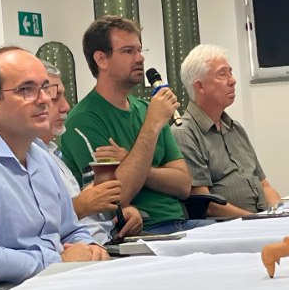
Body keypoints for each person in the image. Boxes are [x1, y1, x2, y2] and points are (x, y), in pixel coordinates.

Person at [0, 47, 106, 289]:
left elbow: (71, 230)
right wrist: (57, 262)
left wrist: (91, 248)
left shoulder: (42, 157)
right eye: (27, 90)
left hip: (57, 285)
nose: (44, 99)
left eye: (46, 88)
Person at [60, 16, 214, 235]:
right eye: (128, 51)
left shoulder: (147, 109)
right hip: (143, 232)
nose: (140, 58)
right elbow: (114, 198)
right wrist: (151, 126)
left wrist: (133, 163)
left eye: (140, 50)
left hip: (181, 223)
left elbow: (183, 185)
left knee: (240, 236)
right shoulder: (83, 120)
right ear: (101, 59)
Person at [35, 61, 143, 244]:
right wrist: (82, 205)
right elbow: (35, 229)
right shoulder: (21, 161)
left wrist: (115, 215)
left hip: (102, 244)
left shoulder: (52, 156)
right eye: (55, 98)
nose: (66, 106)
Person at [172, 45, 282, 215]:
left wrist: (279, 213)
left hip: (259, 219)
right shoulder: (184, 133)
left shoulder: (235, 128)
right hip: (228, 225)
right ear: (200, 86)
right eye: (222, 75)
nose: (232, 81)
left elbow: (264, 186)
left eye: (230, 73)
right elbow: (206, 204)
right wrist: (257, 220)